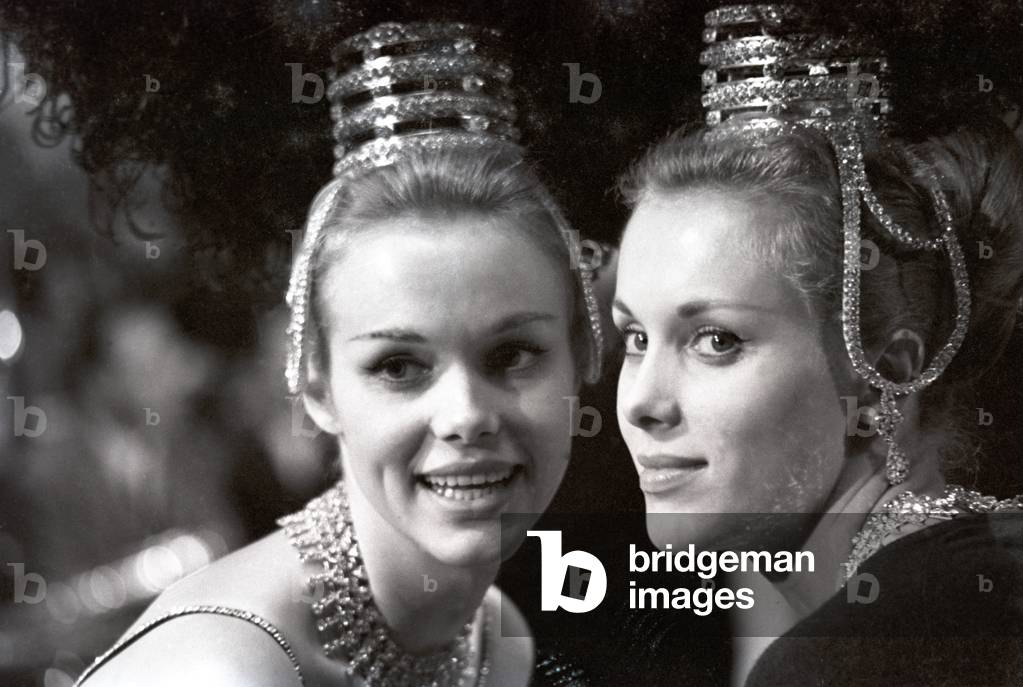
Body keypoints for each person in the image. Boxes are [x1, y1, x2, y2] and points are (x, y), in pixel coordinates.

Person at [74, 21, 601, 687]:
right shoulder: (222, 671)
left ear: (582, 358)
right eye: (399, 367)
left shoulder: (492, 639)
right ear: (317, 387)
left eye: (513, 354)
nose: (466, 414)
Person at [613, 4, 1023, 685]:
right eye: (634, 336)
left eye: (714, 339)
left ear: (881, 376)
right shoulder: (968, 576)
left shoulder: (854, 656)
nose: (641, 404)